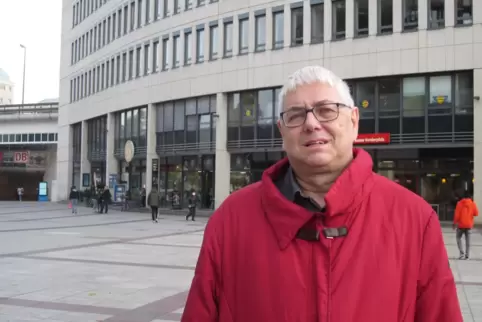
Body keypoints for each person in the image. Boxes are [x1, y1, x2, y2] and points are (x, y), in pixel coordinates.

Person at [181, 66, 462, 322]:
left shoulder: (414, 219)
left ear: (354, 122)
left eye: (326, 110)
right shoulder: (231, 220)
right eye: (296, 115)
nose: (311, 123)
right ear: (282, 132)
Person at [453, 191, 479, 260]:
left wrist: (454, 223)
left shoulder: (459, 203)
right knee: (468, 241)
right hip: (469, 225)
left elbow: (456, 215)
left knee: (458, 238)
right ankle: (467, 255)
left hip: (461, 225)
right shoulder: (472, 203)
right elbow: (476, 213)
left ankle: (462, 254)